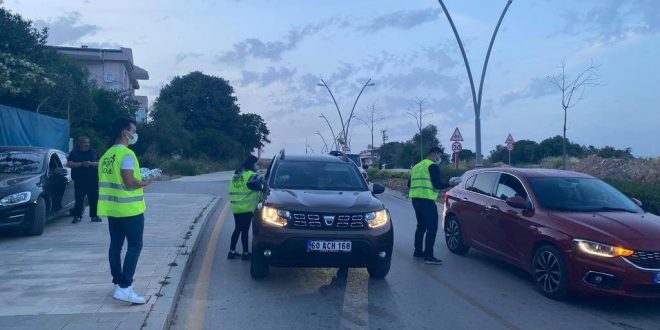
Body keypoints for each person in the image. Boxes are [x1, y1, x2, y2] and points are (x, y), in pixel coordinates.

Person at [97, 118, 151, 304]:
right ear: (124, 132)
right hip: (130, 209)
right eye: (133, 131)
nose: (134, 135)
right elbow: (129, 181)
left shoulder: (107, 155)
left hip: (112, 209)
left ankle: (118, 282)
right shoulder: (126, 154)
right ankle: (125, 286)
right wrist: (145, 182)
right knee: (135, 246)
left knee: (115, 246)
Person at [408, 147, 446, 265]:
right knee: (432, 228)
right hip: (427, 201)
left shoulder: (416, 167)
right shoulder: (432, 166)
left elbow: (409, 184)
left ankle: (418, 251)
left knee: (421, 226)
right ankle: (429, 256)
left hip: (416, 201)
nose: (439, 158)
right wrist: (450, 183)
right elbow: (437, 184)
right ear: (434, 154)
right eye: (439, 156)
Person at [228, 155, 261, 261]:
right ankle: (245, 253)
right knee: (245, 231)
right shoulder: (251, 175)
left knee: (237, 229)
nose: (257, 166)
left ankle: (231, 251)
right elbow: (260, 186)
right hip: (246, 208)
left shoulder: (236, 175)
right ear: (252, 164)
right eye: (256, 164)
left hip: (236, 207)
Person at [67, 136, 100, 223]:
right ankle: (77, 216)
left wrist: (91, 163)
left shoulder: (93, 151)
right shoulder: (74, 153)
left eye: (88, 142)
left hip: (92, 180)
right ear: (79, 143)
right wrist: (81, 164)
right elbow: (69, 164)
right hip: (79, 180)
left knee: (94, 199)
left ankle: (94, 216)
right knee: (79, 200)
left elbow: (100, 163)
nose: (87, 144)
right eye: (85, 142)